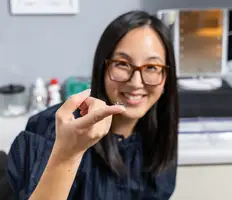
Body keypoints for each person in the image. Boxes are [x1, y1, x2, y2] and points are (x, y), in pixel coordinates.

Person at [5, 10, 179, 200]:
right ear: (102, 68)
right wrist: (66, 155)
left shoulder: (159, 134)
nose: (136, 82)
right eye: (122, 64)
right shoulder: (54, 130)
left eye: (152, 67)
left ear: (166, 78)